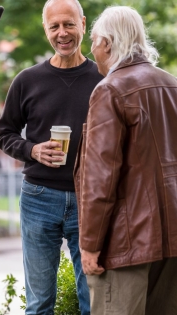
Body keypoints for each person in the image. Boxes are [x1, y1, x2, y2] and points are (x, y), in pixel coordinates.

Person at [0, 0, 103, 314]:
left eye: (68, 24)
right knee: (40, 302)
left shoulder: (103, 77)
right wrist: (32, 149)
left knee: (92, 299)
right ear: (45, 29)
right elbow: (6, 134)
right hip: (39, 196)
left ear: (83, 23)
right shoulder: (28, 80)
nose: (62, 33)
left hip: (90, 198)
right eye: (54, 26)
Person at [75, 5, 177, 314]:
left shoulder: (110, 90)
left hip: (126, 242)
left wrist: (90, 245)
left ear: (107, 43)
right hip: (172, 235)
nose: (92, 51)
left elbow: (100, 178)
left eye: (93, 41)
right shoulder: (171, 85)